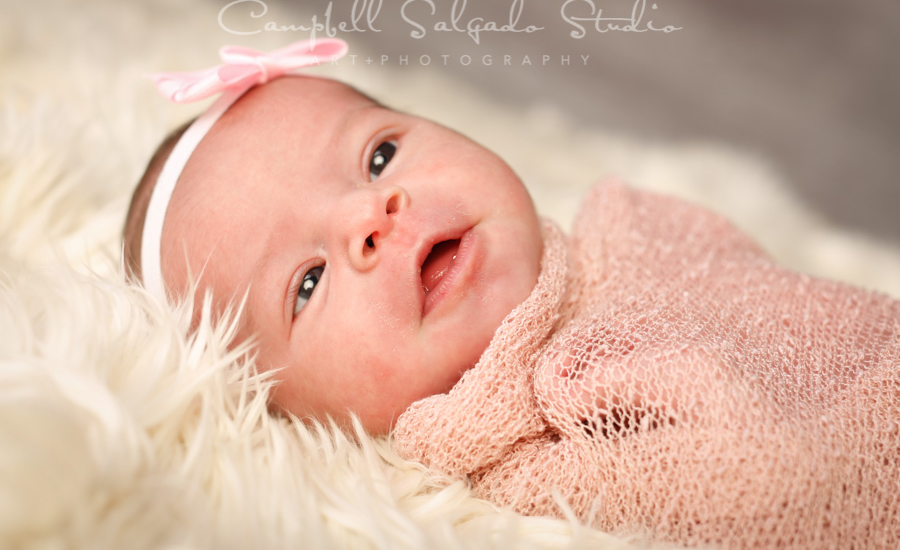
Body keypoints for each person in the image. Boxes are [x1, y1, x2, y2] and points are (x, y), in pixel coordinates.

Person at [124, 40, 900, 548]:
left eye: (381, 154)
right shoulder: (517, 485)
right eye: (308, 280)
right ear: (285, 406)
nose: (372, 214)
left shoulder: (639, 227)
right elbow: (767, 495)